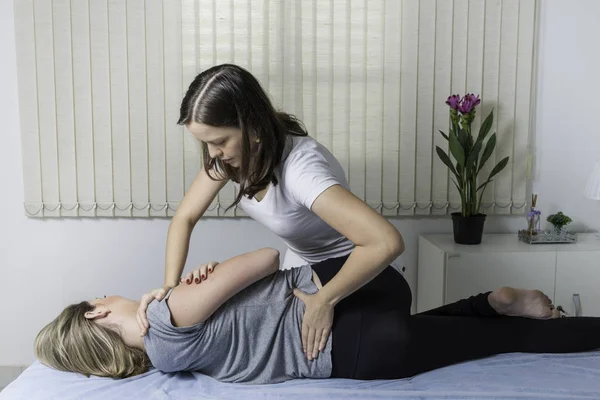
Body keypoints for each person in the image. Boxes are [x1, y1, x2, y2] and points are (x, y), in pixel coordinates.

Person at [137, 63, 406, 360]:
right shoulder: (232, 157)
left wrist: (325, 300)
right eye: (205, 143)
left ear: (251, 125)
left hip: (350, 273)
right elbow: (184, 218)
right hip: (303, 267)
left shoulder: (301, 170)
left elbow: (385, 242)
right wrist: (171, 290)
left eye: (219, 142)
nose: (212, 153)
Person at [36, 248, 600, 384]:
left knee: (458, 340)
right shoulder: (165, 318)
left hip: (357, 335)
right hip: (356, 306)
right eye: (104, 295)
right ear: (98, 312)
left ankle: (489, 307)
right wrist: (177, 288)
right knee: (491, 336)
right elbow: (263, 259)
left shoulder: (164, 359)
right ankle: (494, 305)